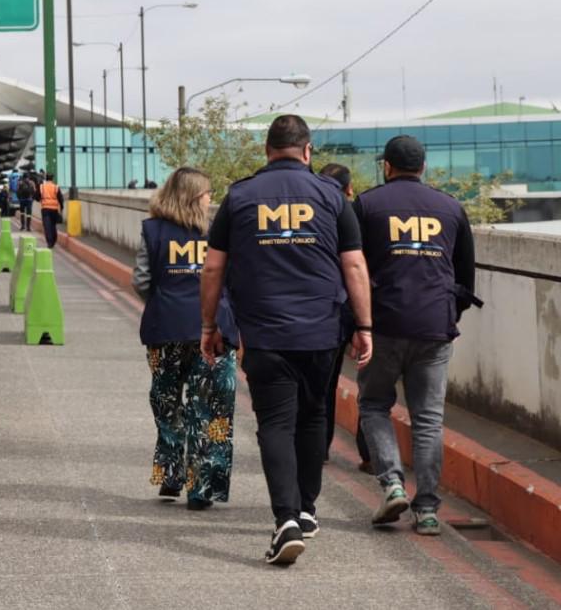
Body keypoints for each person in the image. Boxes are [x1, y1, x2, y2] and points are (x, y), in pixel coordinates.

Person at [201, 115, 373, 566]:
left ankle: (286, 521)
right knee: (316, 415)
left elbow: (213, 268)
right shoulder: (332, 196)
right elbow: (354, 266)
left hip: (265, 331)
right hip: (322, 331)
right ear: (308, 150)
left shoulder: (239, 196)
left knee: (275, 422)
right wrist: (365, 325)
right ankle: (307, 509)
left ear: (266, 150)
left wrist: (208, 326)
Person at [354, 135, 479, 537]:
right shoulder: (450, 207)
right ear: (423, 167)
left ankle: (391, 483)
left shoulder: (368, 205)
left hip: (383, 324)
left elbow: (352, 266)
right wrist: (447, 318)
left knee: (374, 405)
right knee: (428, 419)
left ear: (387, 166)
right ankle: (426, 510)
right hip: (434, 327)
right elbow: (465, 275)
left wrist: (357, 323)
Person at [132, 168, 239, 511]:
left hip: (165, 330)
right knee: (211, 408)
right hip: (214, 329)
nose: (211, 198)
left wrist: (164, 301)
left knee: (167, 403)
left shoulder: (152, 230)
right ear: (195, 196)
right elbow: (235, 281)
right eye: (208, 193)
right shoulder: (219, 233)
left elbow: (141, 280)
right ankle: (202, 487)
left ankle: (172, 474)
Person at [317, 163, 373, 473]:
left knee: (319, 383)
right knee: (367, 385)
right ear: (348, 188)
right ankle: (368, 453)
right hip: (345, 311)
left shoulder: (313, 210)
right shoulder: (349, 212)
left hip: (318, 309)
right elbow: (356, 268)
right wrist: (361, 323)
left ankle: (318, 446)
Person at [39, 174, 64, 248]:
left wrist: (41, 199)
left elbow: (37, 197)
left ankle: (49, 242)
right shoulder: (56, 187)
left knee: (47, 226)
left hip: (45, 208)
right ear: (52, 179)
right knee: (53, 225)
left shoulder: (42, 187)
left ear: (46, 179)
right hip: (54, 209)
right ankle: (54, 239)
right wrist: (61, 208)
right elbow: (60, 198)